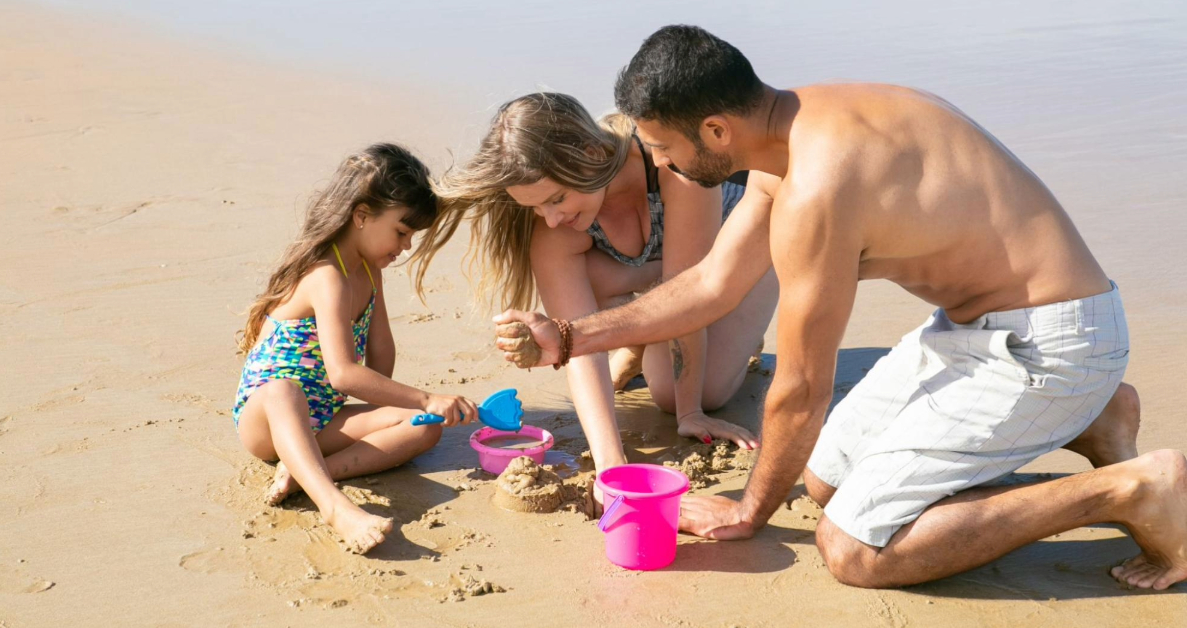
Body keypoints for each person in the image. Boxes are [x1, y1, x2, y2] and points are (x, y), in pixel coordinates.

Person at [494, 25, 1185, 591]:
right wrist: (566, 336)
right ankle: (1096, 418)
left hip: (1051, 343)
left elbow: (801, 389)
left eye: (664, 146)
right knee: (826, 480)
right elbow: (711, 286)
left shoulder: (818, 190)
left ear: (713, 130)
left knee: (855, 547)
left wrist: (748, 512)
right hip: (975, 329)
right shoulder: (792, 127)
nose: (657, 161)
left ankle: (1130, 489)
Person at [410, 93, 778, 480]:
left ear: (591, 153)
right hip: (664, 278)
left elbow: (693, 291)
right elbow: (574, 339)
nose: (551, 219)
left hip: (733, 262)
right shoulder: (552, 227)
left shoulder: (670, 164)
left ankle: (708, 338)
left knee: (694, 395)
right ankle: (642, 334)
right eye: (536, 208)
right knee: (601, 283)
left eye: (556, 199)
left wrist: (691, 412)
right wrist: (610, 464)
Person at [232, 143, 479, 554]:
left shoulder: (368, 271)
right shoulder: (325, 275)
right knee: (284, 390)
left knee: (424, 424)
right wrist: (428, 396)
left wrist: (416, 409)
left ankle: (309, 472)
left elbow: (381, 357)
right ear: (362, 215)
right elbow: (344, 374)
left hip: (323, 419)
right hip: (268, 421)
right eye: (401, 231)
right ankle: (334, 506)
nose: (406, 246)